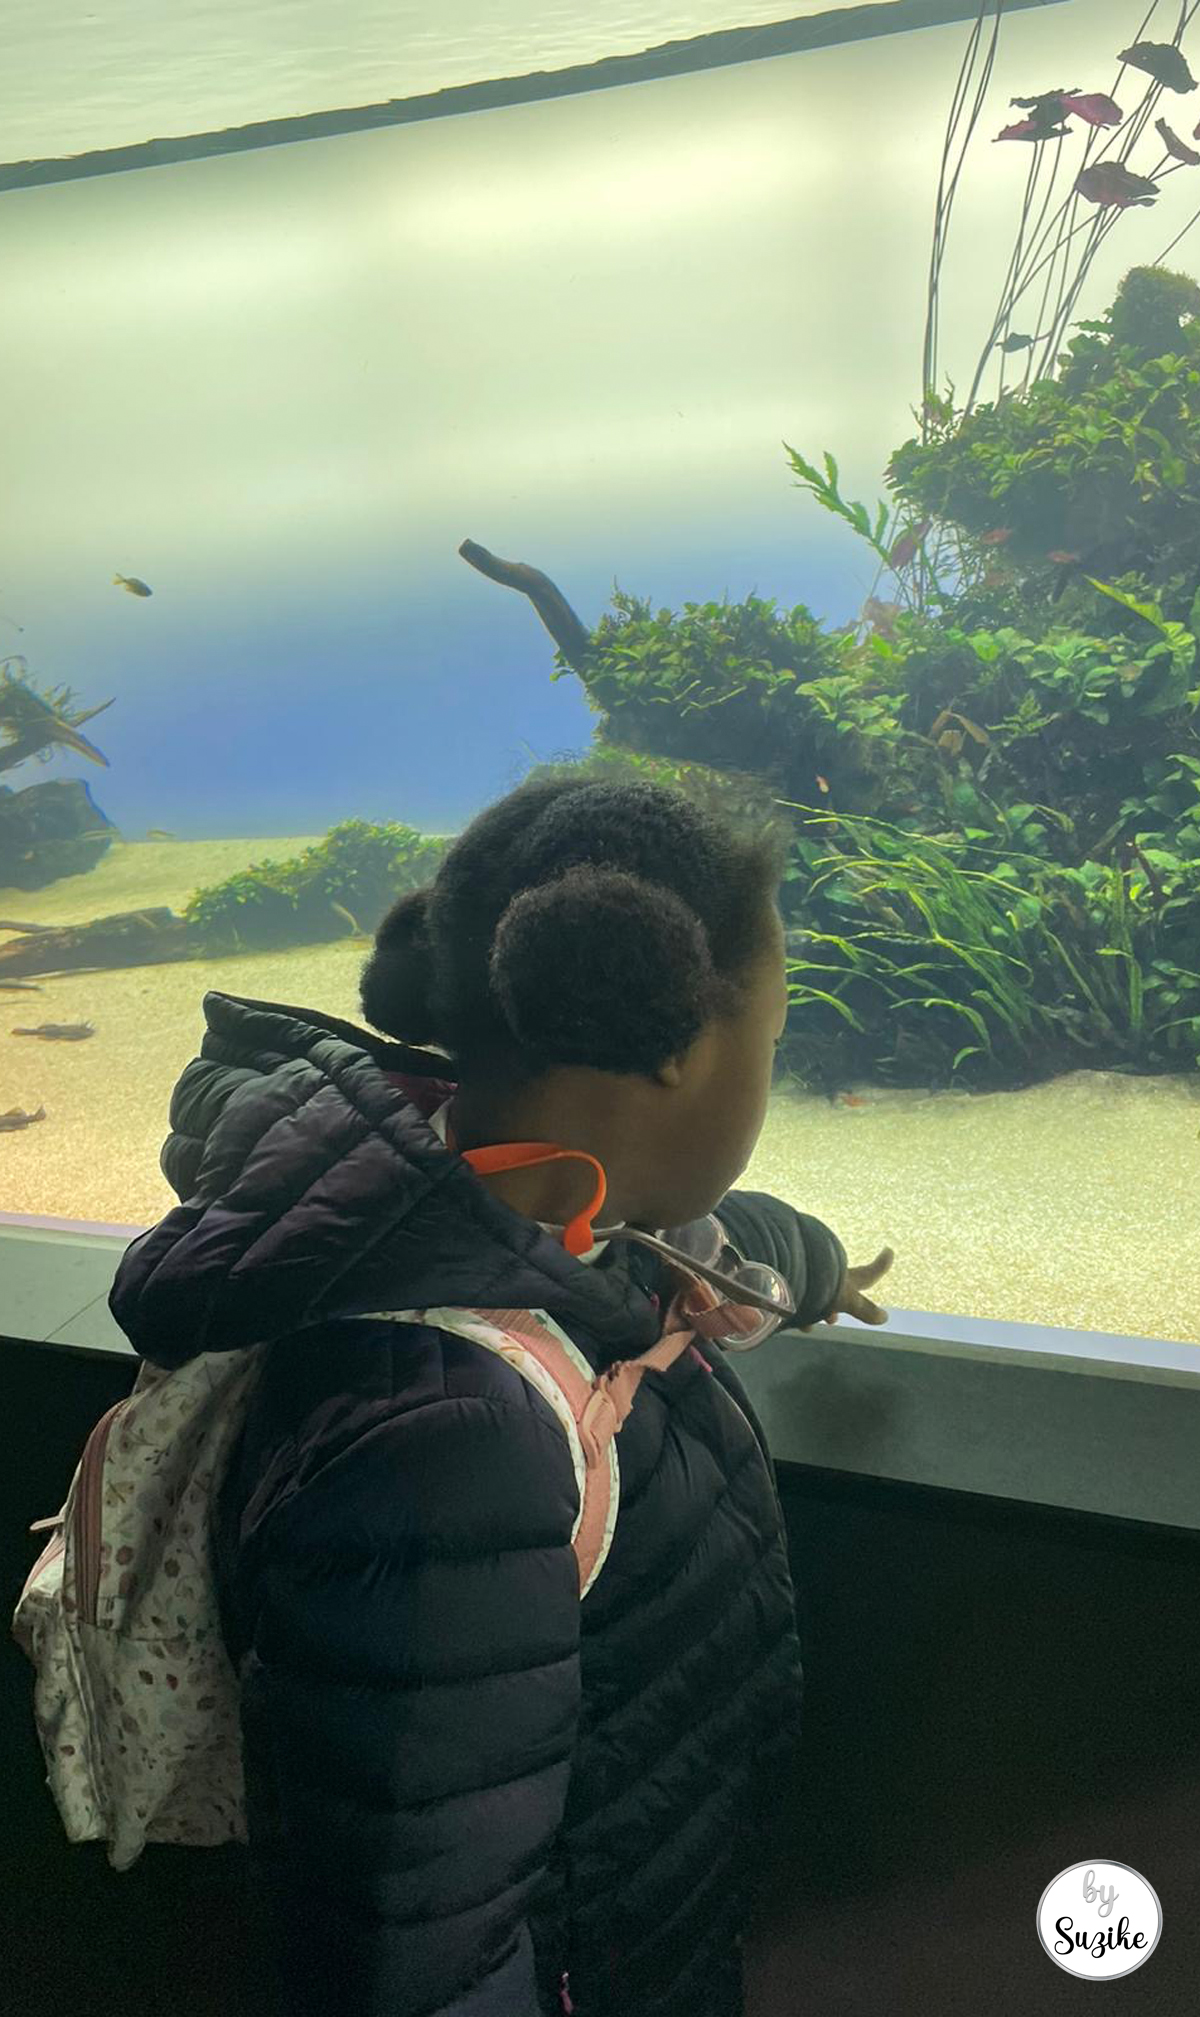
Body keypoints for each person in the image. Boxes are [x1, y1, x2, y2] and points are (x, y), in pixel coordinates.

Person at [109, 772, 892, 2017]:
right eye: (774, 1040)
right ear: (674, 1047)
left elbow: (688, 1245)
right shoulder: (446, 1450)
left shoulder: (521, 1207)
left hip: (638, 1916)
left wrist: (811, 1263)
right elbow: (413, 1940)